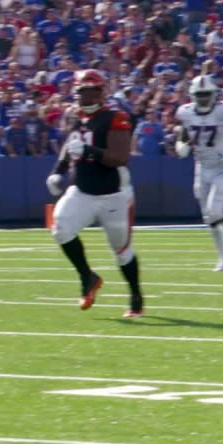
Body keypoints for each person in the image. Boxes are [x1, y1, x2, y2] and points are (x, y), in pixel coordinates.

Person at [45, 68, 145, 319]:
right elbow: (71, 143)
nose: (87, 97)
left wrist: (89, 151)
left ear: (102, 92)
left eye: (93, 91)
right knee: (60, 227)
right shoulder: (72, 115)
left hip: (114, 193)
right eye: (83, 92)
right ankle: (87, 276)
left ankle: (135, 295)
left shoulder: (116, 117)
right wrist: (58, 169)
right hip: (82, 190)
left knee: (121, 252)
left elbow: (120, 158)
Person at [175, 74, 223, 271]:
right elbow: (183, 136)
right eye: (199, 94)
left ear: (214, 94)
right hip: (201, 167)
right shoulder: (185, 113)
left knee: (216, 212)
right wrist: (180, 145)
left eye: (206, 94)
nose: (202, 98)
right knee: (208, 216)